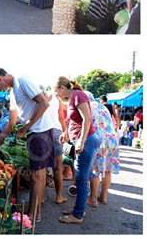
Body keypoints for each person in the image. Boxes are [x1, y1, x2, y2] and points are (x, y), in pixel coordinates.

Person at [0, 68, 53, 223]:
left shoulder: (22, 79)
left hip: (40, 132)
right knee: (40, 173)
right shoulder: (12, 92)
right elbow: (11, 121)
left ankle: (30, 216)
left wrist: (25, 128)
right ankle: (36, 211)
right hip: (35, 133)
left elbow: (44, 103)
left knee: (37, 175)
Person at [54, 77, 99, 224]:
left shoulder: (79, 95)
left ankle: (78, 215)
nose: (56, 94)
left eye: (56, 90)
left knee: (81, 179)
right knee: (79, 178)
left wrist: (81, 140)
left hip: (87, 141)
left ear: (62, 87)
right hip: (79, 140)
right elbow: (76, 120)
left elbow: (87, 118)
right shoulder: (73, 97)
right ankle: (78, 209)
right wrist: (66, 133)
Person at [86, 91, 119, 207]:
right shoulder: (103, 107)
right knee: (107, 169)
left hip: (99, 140)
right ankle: (103, 196)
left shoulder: (87, 106)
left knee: (95, 169)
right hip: (112, 139)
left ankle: (93, 199)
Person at [40, 87, 68, 205]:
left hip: (42, 132)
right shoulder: (57, 99)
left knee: (42, 168)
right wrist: (65, 131)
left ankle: (41, 198)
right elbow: (61, 118)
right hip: (56, 132)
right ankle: (58, 196)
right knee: (57, 168)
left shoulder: (38, 98)